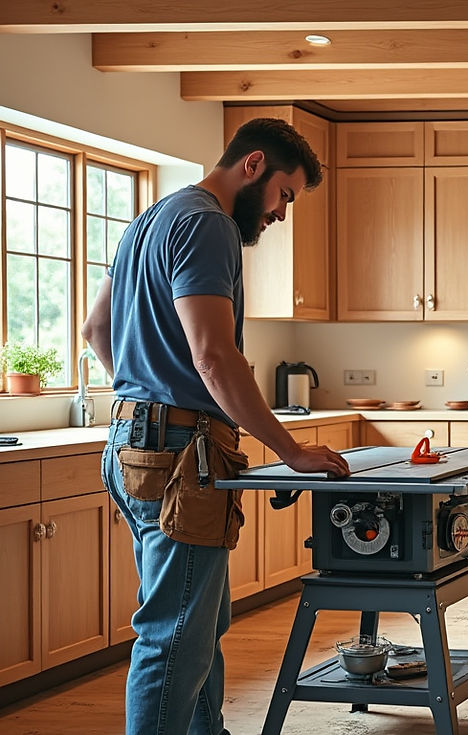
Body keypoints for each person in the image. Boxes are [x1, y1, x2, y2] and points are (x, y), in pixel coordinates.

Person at [81, 117, 350, 735]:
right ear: (252, 166)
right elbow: (214, 356)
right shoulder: (209, 223)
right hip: (179, 454)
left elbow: (96, 328)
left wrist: (145, 391)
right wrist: (288, 450)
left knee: (193, 619)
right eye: (285, 194)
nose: (281, 214)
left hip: (132, 445)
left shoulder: (149, 221)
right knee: (175, 630)